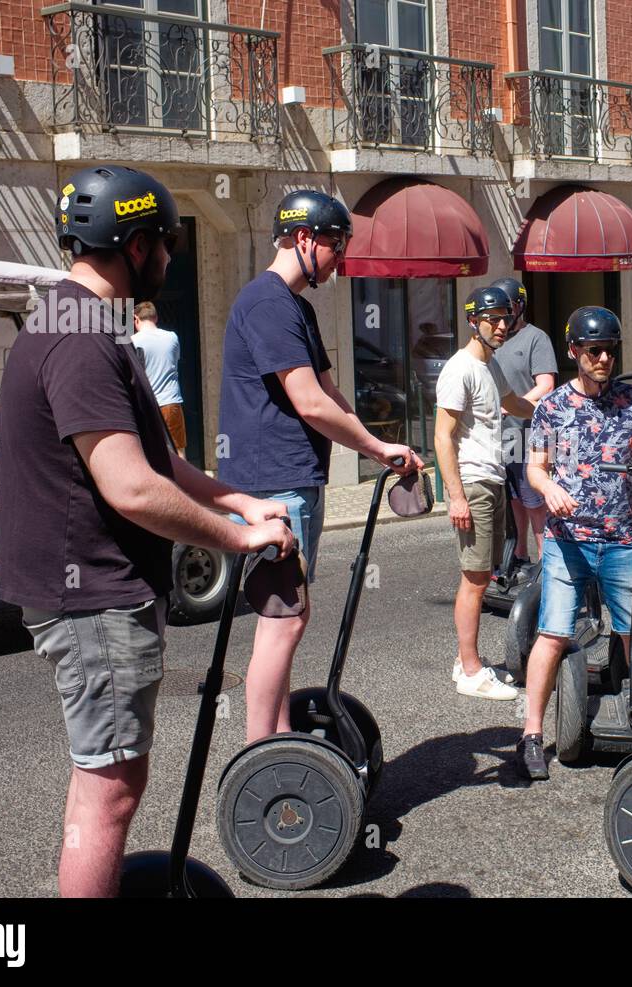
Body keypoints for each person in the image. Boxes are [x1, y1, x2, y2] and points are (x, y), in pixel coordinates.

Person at [0, 165, 295, 897]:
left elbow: (163, 461)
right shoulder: (78, 337)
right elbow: (129, 485)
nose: (170, 254)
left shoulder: (89, 326)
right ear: (133, 244)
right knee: (112, 789)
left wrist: (240, 502)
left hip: (100, 590)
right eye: (164, 239)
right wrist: (233, 539)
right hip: (92, 596)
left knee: (108, 777)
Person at [218, 188, 421, 744]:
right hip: (271, 483)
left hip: (295, 477)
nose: (340, 258)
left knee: (286, 617)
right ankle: (259, 756)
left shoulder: (296, 307)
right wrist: (377, 452)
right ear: (304, 238)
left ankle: (280, 736)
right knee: (284, 619)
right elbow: (307, 401)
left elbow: (331, 394)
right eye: (336, 245)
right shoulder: (266, 304)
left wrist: (381, 443)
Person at [516, 307, 632, 781]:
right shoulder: (552, 406)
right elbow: (535, 467)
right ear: (574, 351)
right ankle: (532, 735)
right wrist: (549, 488)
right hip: (567, 539)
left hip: (621, 538)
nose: (603, 358)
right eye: (593, 351)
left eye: (610, 350)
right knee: (554, 633)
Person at [435, 285, 537, 700]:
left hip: (493, 479)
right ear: (473, 320)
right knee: (475, 578)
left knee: (483, 574)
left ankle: (467, 660)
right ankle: (472, 670)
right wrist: (455, 496)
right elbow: (442, 437)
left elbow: (515, 404)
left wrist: (562, 408)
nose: (500, 326)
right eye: (491, 319)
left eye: (505, 319)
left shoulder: (489, 366)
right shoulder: (460, 368)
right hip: (474, 482)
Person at [491, 276, 557, 567]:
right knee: (515, 498)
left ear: (519, 306)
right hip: (501, 435)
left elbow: (546, 385)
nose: (501, 319)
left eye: (506, 309)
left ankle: (546, 563)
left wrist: (512, 406)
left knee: (535, 501)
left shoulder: (536, 338)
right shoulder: (494, 341)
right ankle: (520, 553)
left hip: (530, 434)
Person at [131, 301, 186, 458]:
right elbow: (174, 361)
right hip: (170, 402)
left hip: (146, 405)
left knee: (148, 455)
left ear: (136, 319)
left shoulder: (133, 341)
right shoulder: (172, 337)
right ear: (156, 318)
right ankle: (183, 483)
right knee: (178, 451)